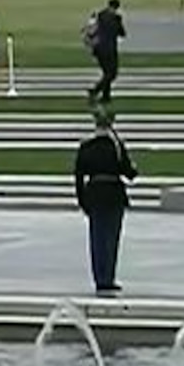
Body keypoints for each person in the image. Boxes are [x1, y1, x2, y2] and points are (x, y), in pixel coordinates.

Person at [74, 107, 138, 296]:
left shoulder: (86, 146)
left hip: (94, 194)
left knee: (97, 239)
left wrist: (82, 199)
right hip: (113, 194)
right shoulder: (116, 145)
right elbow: (128, 172)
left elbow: (78, 176)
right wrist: (134, 168)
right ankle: (108, 277)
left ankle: (100, 278)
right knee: (111, 238)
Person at [89, 0, 126, 104]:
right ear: (117, 7)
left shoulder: (99, 15)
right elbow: (122, 33)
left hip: (98, 48)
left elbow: (91, 29)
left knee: (106, 73)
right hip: (109, 49)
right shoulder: (116, 18)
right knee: (112, 73)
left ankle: (106, 96)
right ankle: (95, 90)